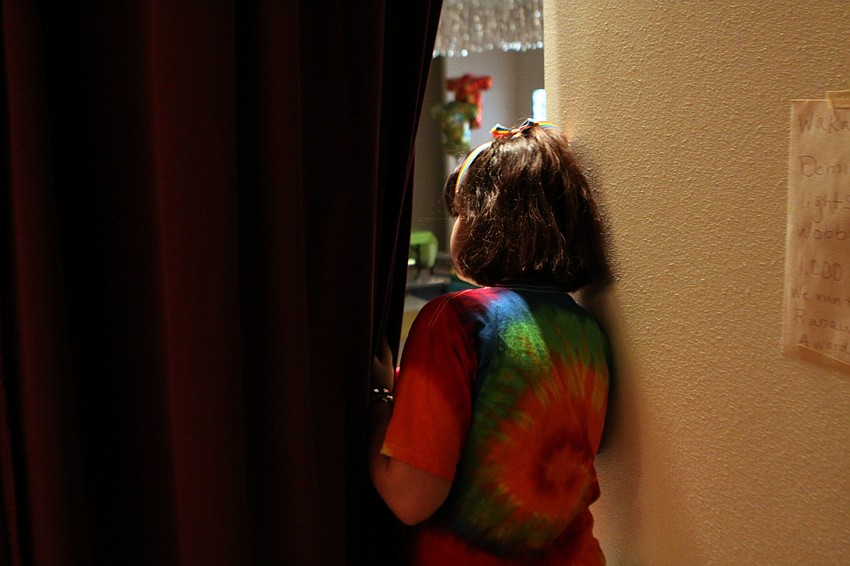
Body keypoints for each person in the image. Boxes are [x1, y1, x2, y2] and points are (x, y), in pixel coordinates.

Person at [368, 119, 613, 565]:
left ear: (488, 220)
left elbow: (410, 497)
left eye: (460, 211)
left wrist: (381, 401)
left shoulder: (455, 320)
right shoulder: (587, 331)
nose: (455, 225)